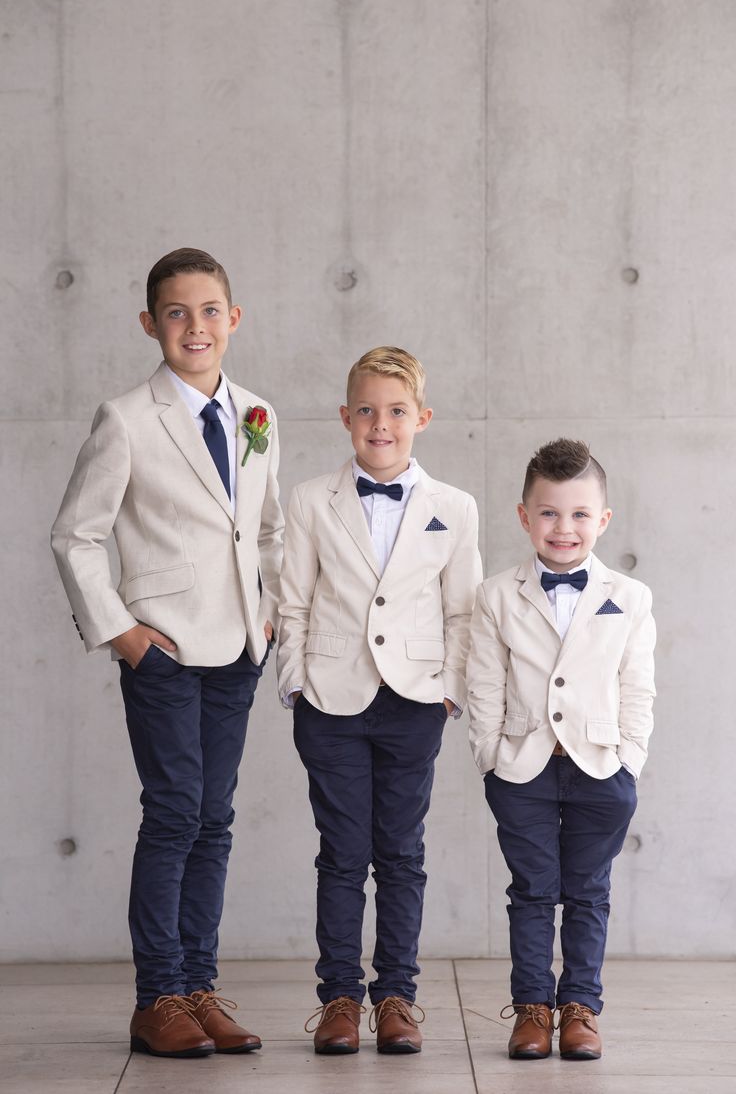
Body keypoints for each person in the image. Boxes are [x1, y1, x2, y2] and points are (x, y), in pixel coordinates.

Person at [51, 248, 283, 1058]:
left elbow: (266, 528)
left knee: (214, 820)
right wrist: (121, 631)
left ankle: (198, 989)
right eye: (177, 313)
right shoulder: (127, 418)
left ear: (234, 318)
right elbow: (75, 534)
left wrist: (273, 613)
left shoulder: (257, 414)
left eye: (210, 310)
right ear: (151, 324)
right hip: (166, 650)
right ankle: (158, 997)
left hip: (239, 648)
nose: (195, 326)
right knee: (176, 811)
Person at [277, 346, 482, 1055]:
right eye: (366, 410)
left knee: (400, 853)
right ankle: (338, 997)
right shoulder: (310, 500)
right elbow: (293, 600)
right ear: (345, 418)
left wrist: (449, 693)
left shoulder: (454, 508)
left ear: (421, 418)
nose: (381, 424)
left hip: (414, 702)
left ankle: (397, 996)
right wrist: (296, 683)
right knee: (341, 853)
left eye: (396, 411)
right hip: (330, 702)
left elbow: (463, 613)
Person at [466, 437, 655, 1061]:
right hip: (522, 769)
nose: (563, 527)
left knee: (589, 891)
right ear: (525, 517)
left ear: (602, 521)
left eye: (579, 514)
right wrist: (490, 756)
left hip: (601, 769)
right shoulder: (496, 594)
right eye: (548, 513)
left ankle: (580, 1009)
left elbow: (637, 687)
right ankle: (530, 1009)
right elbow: (484, 682)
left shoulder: (629, 598)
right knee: (531, 890)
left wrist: (630, 760)